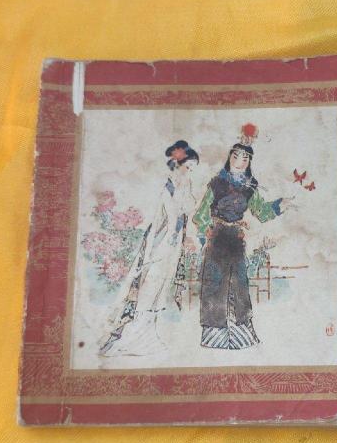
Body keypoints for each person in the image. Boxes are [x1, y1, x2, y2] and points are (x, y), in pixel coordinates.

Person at [98, 140, 200, 356]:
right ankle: (129, 336)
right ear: (178, 164)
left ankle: (147, 335)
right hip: (158, 245)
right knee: (147, 288)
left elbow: (188, 213)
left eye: (192, 169)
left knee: (159, 289)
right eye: (188, 167)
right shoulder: (166, 187)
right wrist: (155, 248)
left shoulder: (185, 187)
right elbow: (163, 220)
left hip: (172, 247)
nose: (189, 172)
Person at [193, 123, 290, 349]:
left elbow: (261, 212)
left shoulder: (250, 187)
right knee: (215, 284)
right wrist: (207, 230)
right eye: (236, 156)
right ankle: (213, 337)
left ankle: (241, 336)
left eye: (245, 158)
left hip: (236, 239)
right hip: (217, 237)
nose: (240, 161)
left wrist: (279, 206)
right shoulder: (216, 183)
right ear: (229, 157)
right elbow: (200, 215)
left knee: (238, 284)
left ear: (249, 161)